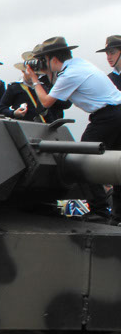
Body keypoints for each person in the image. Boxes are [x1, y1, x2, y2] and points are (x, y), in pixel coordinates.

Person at [25, 36, 121, 222]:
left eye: (44, 60)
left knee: (82, 160)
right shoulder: (79, 64)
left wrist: (35, 81)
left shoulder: (69, 75)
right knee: (116, 164)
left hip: (106, 117)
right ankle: (117, 215)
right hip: (116, 113)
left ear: (53, 59)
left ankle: (100, 210)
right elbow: (61, 94)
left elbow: (46, 102)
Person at [0, 50, 70, 123]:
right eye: (31, 73)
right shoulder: (14, 88)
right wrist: (14, 113)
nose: (33, 76)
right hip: (22, 127)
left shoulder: (44, 88)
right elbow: (0, 108)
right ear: (23, 71)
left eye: (36, 74)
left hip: (42, 128)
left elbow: (63, 105)